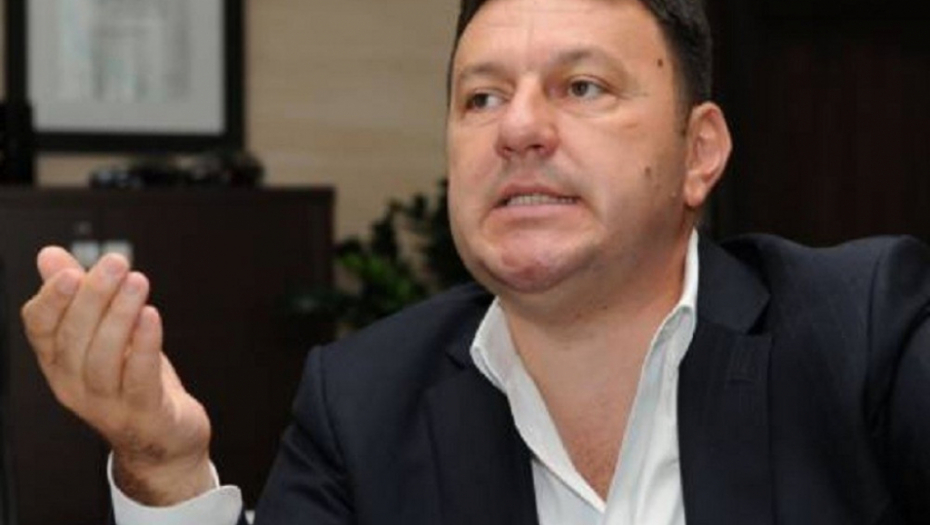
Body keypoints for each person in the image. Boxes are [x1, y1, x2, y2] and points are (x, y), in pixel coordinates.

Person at [20, 0, 930, 523]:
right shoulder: (363, 402)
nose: (519, 128)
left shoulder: (862, 334)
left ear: (699, 152)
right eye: (482, 97)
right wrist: (165, 467)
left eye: (581, 86)